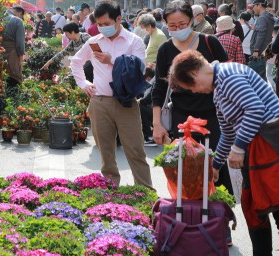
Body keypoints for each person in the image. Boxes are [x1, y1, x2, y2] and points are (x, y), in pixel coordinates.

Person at [169, 49, 279, 256]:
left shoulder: (228, 77)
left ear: (194, 73)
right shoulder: (218, 87)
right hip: (260, 146)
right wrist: (215, 165)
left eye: (190, 86)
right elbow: (228, 131)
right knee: (255, 209)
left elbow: (255, 109)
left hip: (274, 143)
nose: (194, 92)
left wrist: (238, 149)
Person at [150, 0, 234, 244]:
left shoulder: (211, 42)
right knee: (183, 170)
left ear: (193, 20)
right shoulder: (166, 49)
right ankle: (188, 218)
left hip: (214, 116)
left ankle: (221, 223)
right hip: (181, 120)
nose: (177, 29)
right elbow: (158, 88)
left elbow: (227, 78)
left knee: (217, 170)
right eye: (172, 25)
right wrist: (157, 123)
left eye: (182, 24)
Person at [70, 1, 153, 189]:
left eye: (106, 23)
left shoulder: (134, 41)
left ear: (118, 20)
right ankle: (110, 194)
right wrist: (84, 83)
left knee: (135, 151)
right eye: (99, 24)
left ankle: (146, 193)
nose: (102, 28)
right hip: (99, 102)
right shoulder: (94, 42)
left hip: (126, 102)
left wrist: (111, 60)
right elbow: (76, 62)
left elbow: (138, 70)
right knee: (106, 153)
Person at [3, 6, 26, 99]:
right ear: (20, 13)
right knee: (14, 77)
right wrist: (21, 60)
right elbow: (20, 43)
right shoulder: (17, 21)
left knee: (2, 76)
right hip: (12, 53)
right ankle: (13, 101)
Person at [249, 0, 274, 79]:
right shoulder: (268, 16)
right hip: (266, 50)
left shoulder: (262, 17)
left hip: (260, 52)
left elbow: (261, 35)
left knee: (257, 78)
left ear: (259, 5)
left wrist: (256, 50)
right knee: (263, 76)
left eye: (253, 6)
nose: (253, 8)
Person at [139, 63, 157, 146]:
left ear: (149, 78)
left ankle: (149, 137)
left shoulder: (155, 84)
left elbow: (147, 100)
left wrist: (137, 101)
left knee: (140, 107)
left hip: (159, 113)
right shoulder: (156, 81)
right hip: (158, 111)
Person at [266, 25, 279, 91]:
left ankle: (274, 88)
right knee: (273, 75)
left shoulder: (273, 40)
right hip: (277, 61)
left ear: (273, 32)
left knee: (268, 75)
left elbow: (268, 53)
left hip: (270, 60)